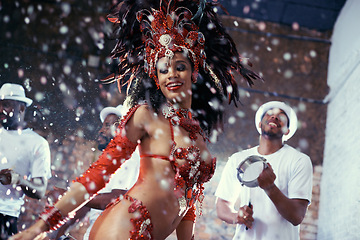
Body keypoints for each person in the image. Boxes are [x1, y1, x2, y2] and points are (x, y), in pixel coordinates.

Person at [11, 0, 261, 239]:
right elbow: (98, 174)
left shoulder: (197, 131)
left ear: (193, 71)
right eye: (163, 69)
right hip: (123, 230)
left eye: (179, 67)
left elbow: (190, 200)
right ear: (156, 77)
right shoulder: (146, 116)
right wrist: (41, 226)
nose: (171, 75)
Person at [215, 101, 313, 240]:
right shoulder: (238, 159)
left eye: (282, 116)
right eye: (269, 114)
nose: (274, 117)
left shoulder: (299, 160)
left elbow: (297, 216)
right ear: (260, 124)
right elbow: (222, 205)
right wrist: (237, 216)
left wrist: (270, 188)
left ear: (287, 131)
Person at [55, 104, 140, 240]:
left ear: (121, 129)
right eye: (102, 125)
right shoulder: (108, 161)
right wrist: (58, 233)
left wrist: (71, 198)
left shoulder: (128, 159)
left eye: (107, 126)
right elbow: (88, 204)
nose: (101, 130)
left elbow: (116, 199)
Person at [0, 83, 51, 239]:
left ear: (21, 108)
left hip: (4, 215)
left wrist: (17, 179)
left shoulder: (37, 143)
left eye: (6, 105)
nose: (0, 109)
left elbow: (40, 190)